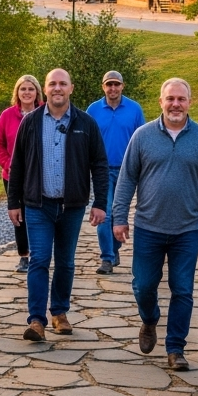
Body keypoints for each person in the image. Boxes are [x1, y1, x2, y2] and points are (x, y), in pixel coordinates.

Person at [113, 78, 198, 372]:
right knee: (143, 286)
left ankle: (176, 348)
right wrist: (119, 217)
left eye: (181, 99)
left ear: (189, 102)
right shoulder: (142, 136)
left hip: (186, 230)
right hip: (148, 227)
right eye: (170, 99)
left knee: (182, 289)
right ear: (161, 102)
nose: (176, 104)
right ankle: (150, 319)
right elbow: (127, 179)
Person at [7, 68, 108, 342]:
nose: (57, 88)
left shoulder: (85, 123)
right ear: (46, 89)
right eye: (52, 84)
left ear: (71, 88)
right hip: (38, 205)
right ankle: (36, 320)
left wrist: (100, 202)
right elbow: (17, 164)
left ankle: (60, 313)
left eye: (63, 83)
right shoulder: (30, 122)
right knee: (39, 259)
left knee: (65, 262)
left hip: (71, 206)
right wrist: (13, 202)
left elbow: (99, 164)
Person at [87, 70, 146, 274]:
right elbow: (85, 140)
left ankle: (114, 248)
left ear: (122, 86)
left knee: (120, 213)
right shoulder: (93, 110)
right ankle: (107, 258)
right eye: (109, 84)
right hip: (101, 170)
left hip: (127, 170)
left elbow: (142, 139)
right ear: (103, 87)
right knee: (105, 212)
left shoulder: (134, 109)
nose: (113, 88)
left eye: (116, 84)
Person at [0, 74, 42, 272]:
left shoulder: (45, 112)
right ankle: (24, 255)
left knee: (38, 214)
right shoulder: (7, 115)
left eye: (31, 89)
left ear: (37, 92)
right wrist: (7, 164)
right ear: (17, 92)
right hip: (13, 176)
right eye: (23, 89)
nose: (27, 92)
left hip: (39, 175)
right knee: (19, 215)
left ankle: (40, 253)